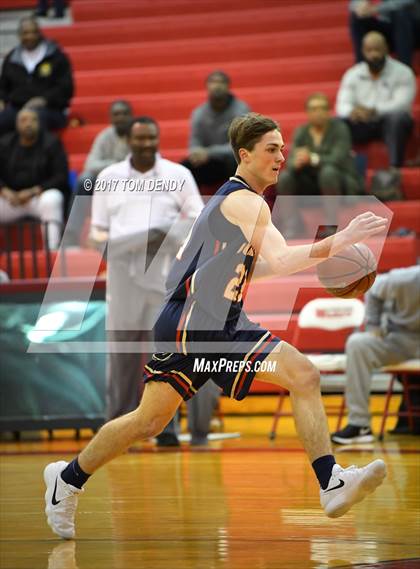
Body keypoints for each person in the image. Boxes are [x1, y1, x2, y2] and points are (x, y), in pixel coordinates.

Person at [43, 112, 388, 540]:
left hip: (198, 320)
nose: (281, 156)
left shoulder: (233, 202)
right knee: (304, 374)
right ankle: (330, 481)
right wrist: (344, 238)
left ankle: (67, 479)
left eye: (282, 147)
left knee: (148, 421)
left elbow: (256, 269)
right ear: (245, 155)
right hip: (199, 323)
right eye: (271, 149)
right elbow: (281, 260)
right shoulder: (245, 200)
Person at [88, 115, 220, 446]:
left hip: (164, 272)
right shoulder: (108, 177)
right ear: (128, 141)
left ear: (157, 139)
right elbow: (96, 231)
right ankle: (115, 430)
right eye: (140, 139)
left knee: (162, 352)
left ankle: (166, 430)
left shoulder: (178, 175)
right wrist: (131, 241)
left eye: (151, 138)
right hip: (122, 271)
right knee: (122, 354)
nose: (146, 144)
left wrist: (162, 236)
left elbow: (197, 219)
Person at [331, 265, 420, 444]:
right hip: (400, 340)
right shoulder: (404, 278)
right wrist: (373, 325)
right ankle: (359, 424)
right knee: (358, 343)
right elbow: (374, 289)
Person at [276, 92, 364, 239]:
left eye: (322, 108)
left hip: (339, 182)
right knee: (285, 177)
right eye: (313, 109)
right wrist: (296, 162)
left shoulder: (340, 129)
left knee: (328, 172)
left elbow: (338, 159)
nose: (318, 112)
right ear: (307, 112)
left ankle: (330, 224)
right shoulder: (301, 131)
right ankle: (292, 224)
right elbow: (291, 161)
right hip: (311, 185)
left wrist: (312, 158)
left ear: (328, 111)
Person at [336, 31, 416, 168]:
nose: (373, 54)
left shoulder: (403, 72)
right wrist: (353, 112)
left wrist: (374, 111)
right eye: (369, 50)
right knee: (337, 123)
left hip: (389, 122)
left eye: (377, 49)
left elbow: (402, 104)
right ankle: (342, 168)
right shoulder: (352, 74)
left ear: (386, 48)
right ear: (363, 51)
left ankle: (395, 167)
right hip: (362, 122)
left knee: (398, 118)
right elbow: (342, 105)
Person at [64, 100, 133, 247]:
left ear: (131, 116)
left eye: (124, 114)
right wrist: (116, 164)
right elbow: (90, 164)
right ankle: (71, 235)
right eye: (116, 114)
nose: (120, 118)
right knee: (85, 180)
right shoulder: (105, 136)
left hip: (133, 182)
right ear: (111, 118)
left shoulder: (138, 134)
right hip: (107, 181)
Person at [0, 108, 69, 249]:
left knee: (52, 198)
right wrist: (4, 190)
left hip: (38, 197)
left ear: (40, 123)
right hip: (11, 200)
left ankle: (52, 250)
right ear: (16, 124)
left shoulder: (52, 143)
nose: (29, 124)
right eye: (24, 120)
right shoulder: (4, 144)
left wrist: (34, 191)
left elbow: (61, 176)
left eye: (33, 120)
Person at [0, 17, 73, 135]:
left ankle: (38, 153)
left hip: (51, 109)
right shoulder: (11, 58)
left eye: (33, 32)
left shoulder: (56, 56)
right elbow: (3, 86)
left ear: (40, 33)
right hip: (17, 108)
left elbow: (66, 88)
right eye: (25, 33)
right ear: (19, 36)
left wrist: (44, 99)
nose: (30, 36)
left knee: (33, 120)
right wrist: (1, 100)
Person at [182, 70, 250, 189]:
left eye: (221, 82)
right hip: (210, 162)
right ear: (207, 86)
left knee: (238, 160)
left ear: (228, 86)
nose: (217, 85)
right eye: (213, 82)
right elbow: (194, 142)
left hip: (232, 161)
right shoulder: (198, 113)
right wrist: (196, 153)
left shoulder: (241, 110)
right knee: (184, 168)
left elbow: (239, 146)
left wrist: (208, 153)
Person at [349, 0, 420, 68]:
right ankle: (362, 68)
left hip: (411, 29)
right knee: (358, 17)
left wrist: (376, 8)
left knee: (401, 14)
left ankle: (405, 69)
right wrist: (359, 6)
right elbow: (353, 3)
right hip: (388, 29)